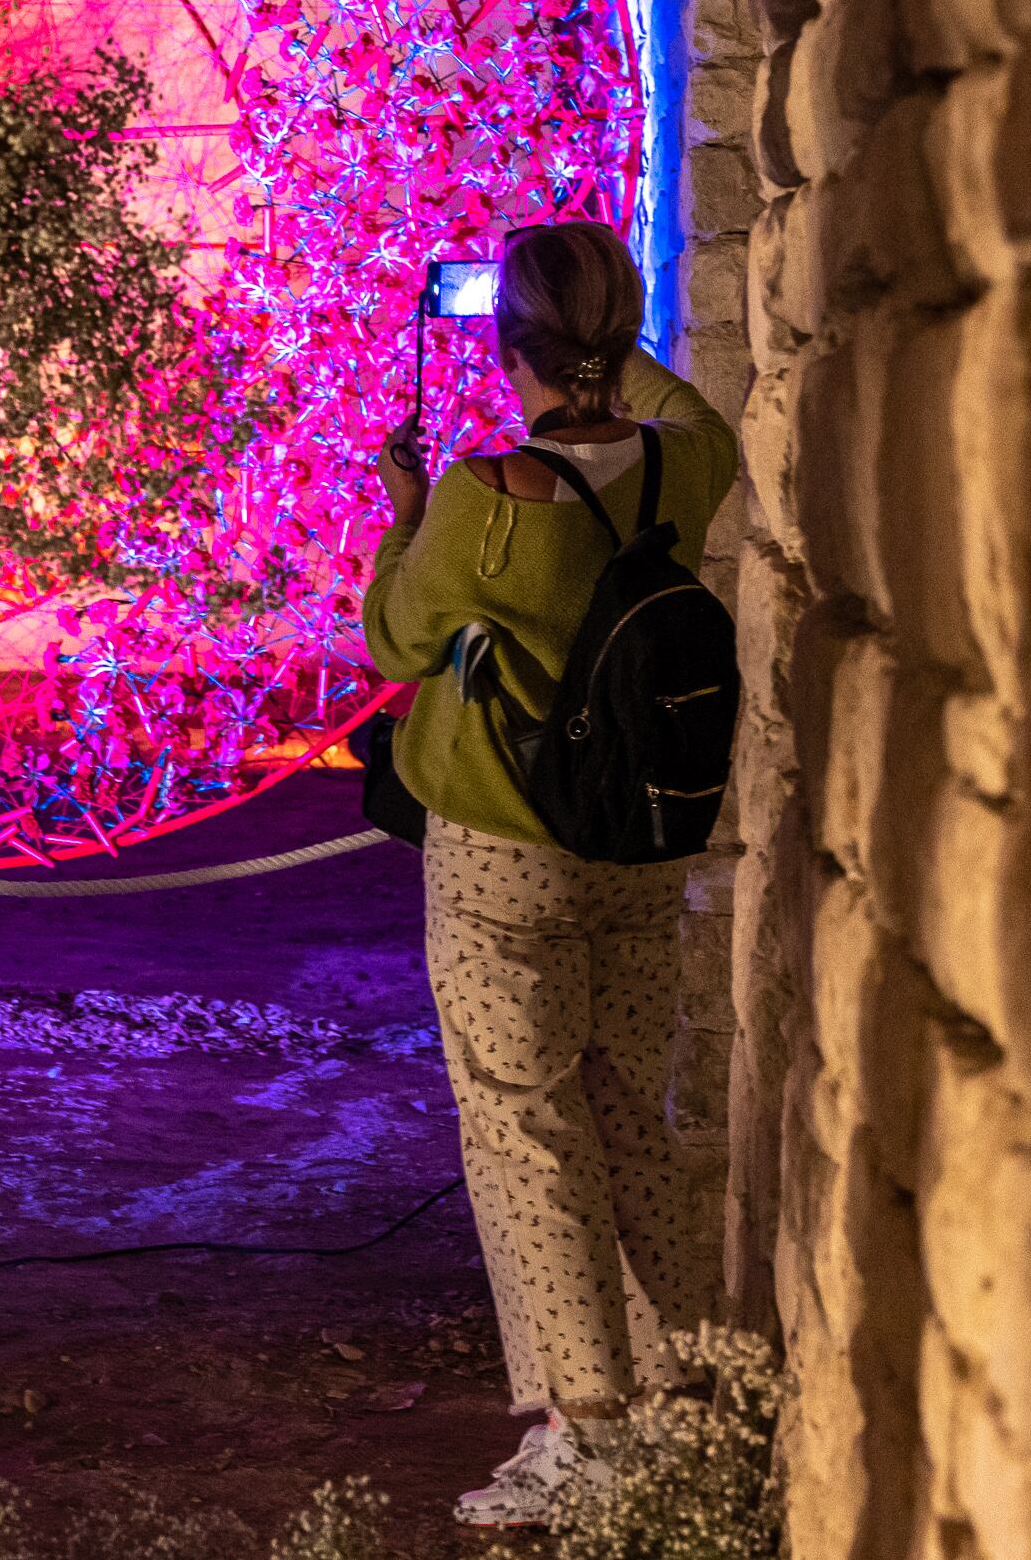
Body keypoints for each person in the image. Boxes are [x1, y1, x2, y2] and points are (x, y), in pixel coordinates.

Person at [363, 219, 739, 1528]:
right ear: (619, 332)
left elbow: (398, 638)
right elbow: (681, 406)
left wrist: (409, 517)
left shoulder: (486, 497)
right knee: (631, 1112)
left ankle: (589, 1434)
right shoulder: (688, 468)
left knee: (526, 1134)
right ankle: (683, 1400)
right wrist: (602, 358)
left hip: (504, 861)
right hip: (639, 849)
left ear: (505, 344)